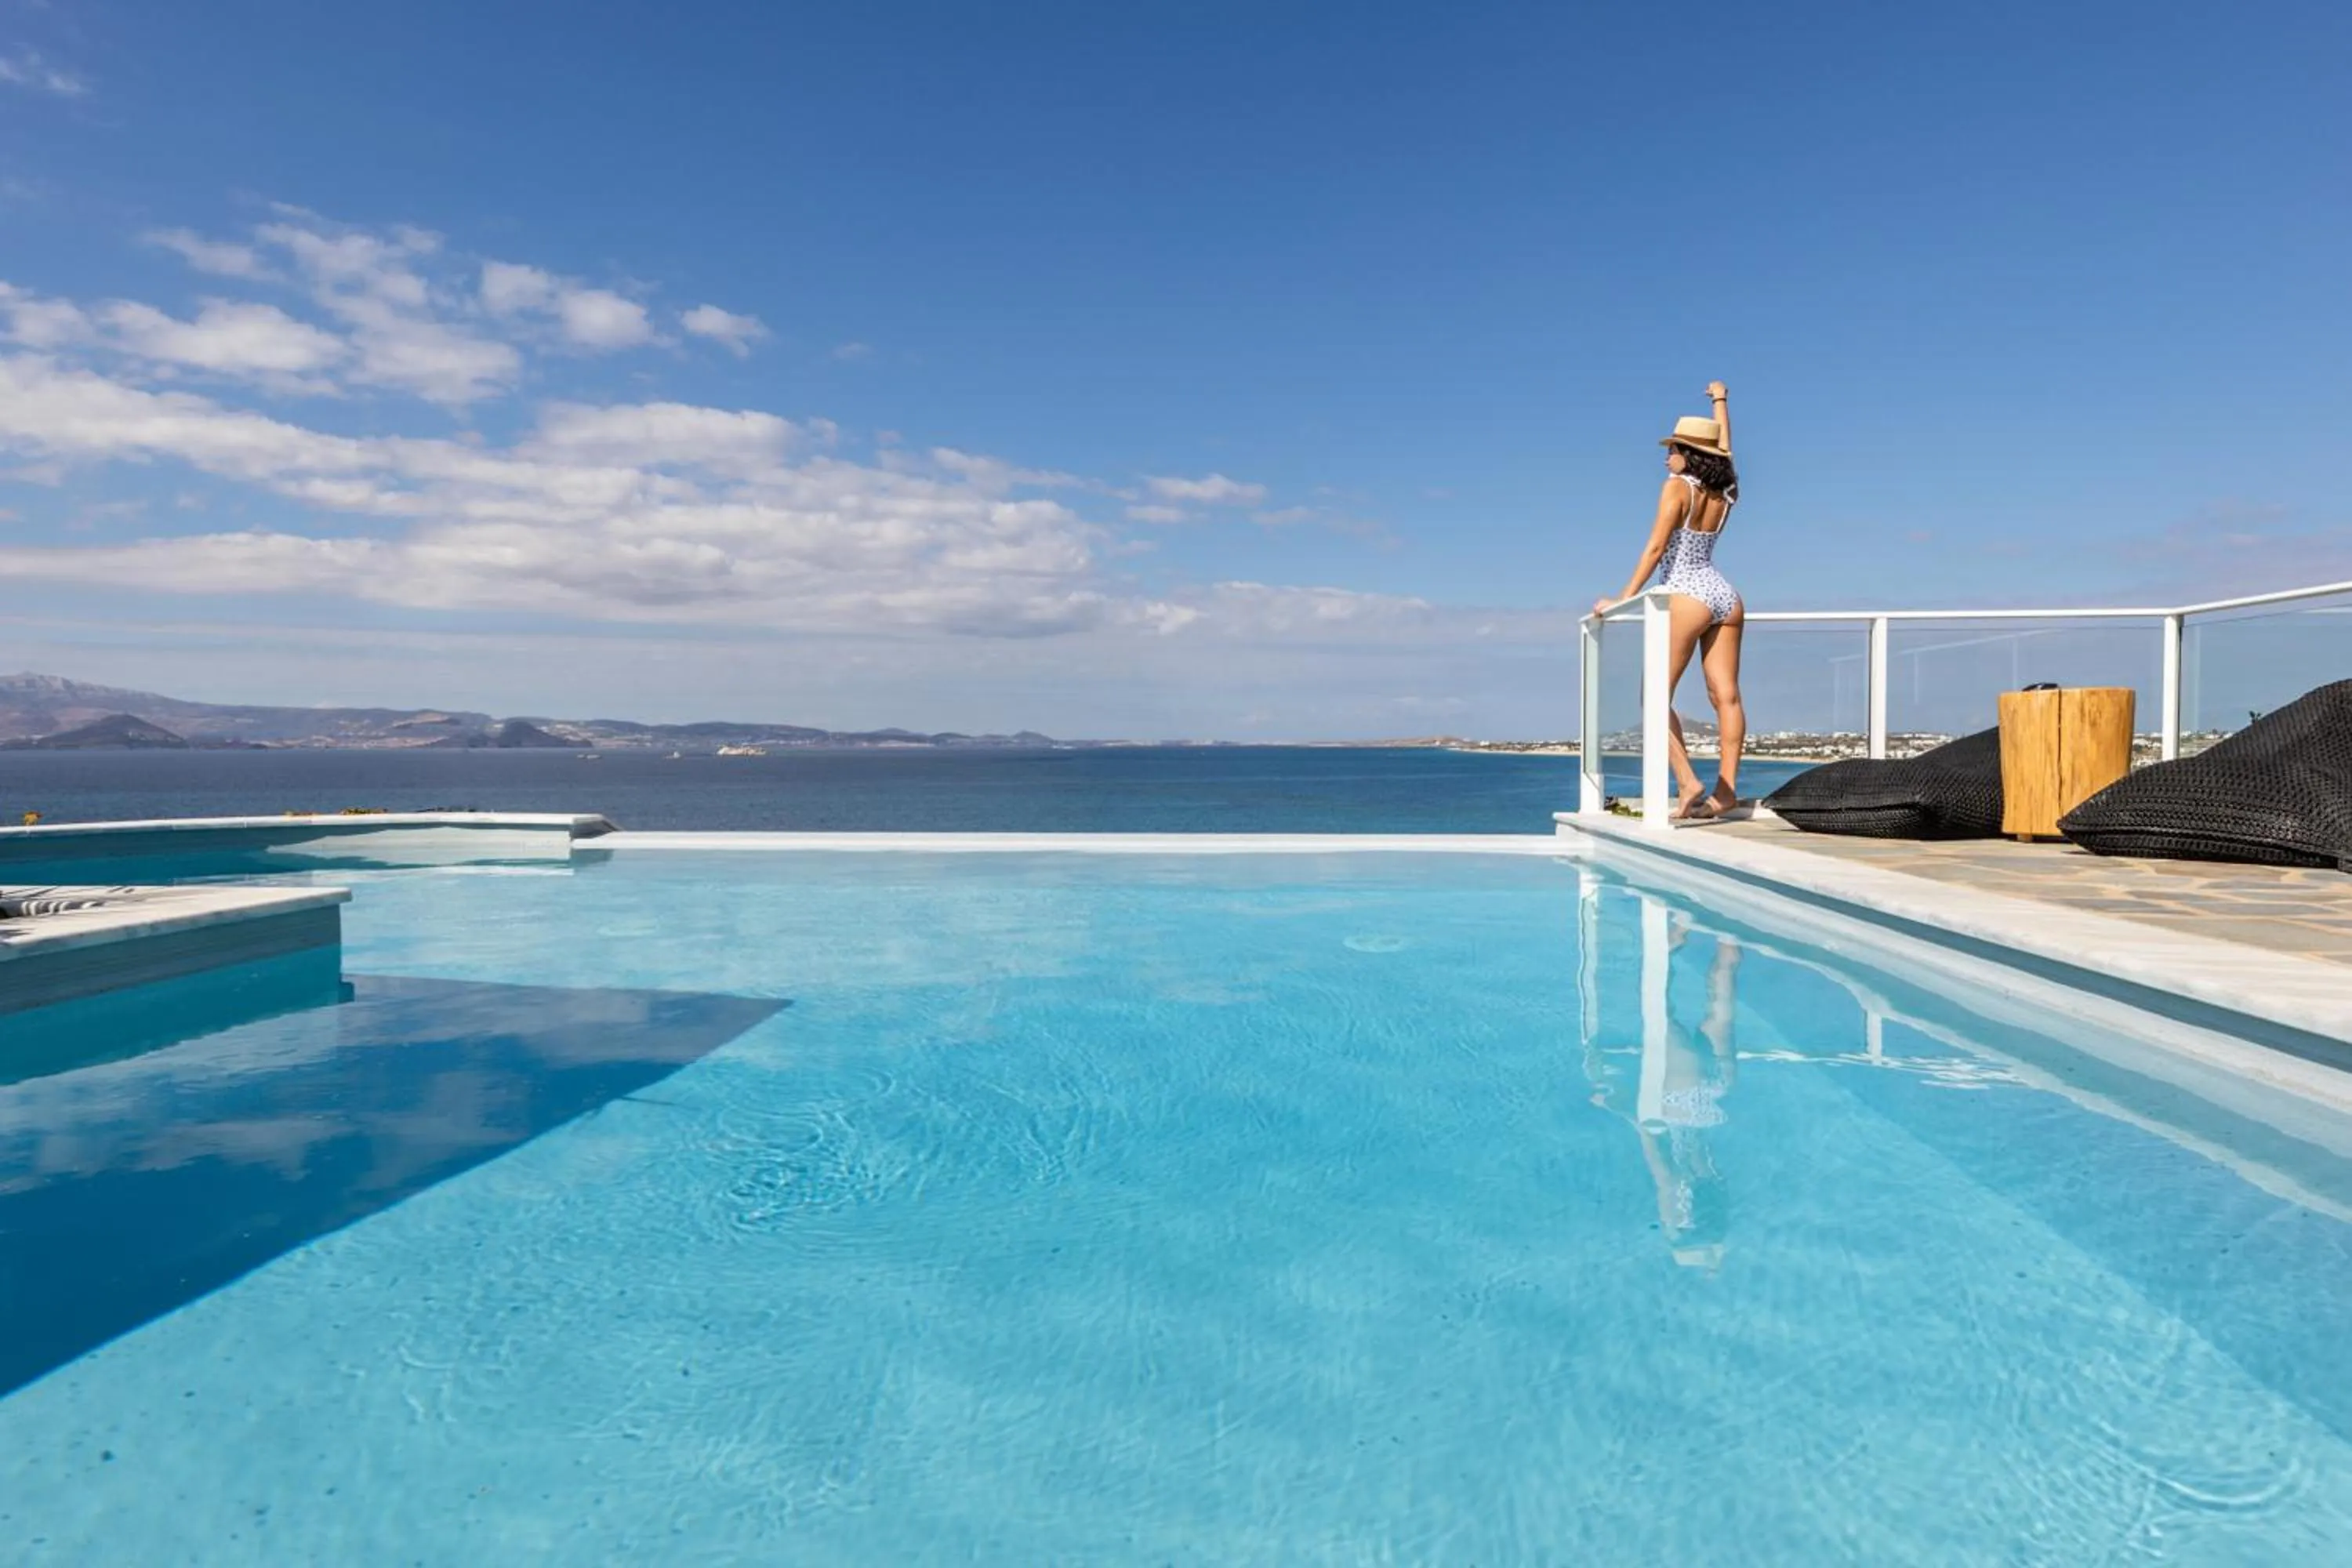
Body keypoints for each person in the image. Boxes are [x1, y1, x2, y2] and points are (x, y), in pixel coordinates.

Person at [1593, 381, 1747, 820]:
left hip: (1686, 594)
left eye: (1673, 448)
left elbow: (1656, 549)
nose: (1666, 457)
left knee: (1653, 697)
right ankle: (1726, 791)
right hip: (1723, 593)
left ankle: (1687, 782)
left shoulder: (1678, 487)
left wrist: (1622, 600)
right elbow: (1728, 451)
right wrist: (1721, 401)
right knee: (1727, 698)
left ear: (1689, 454)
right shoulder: (1726, 490)